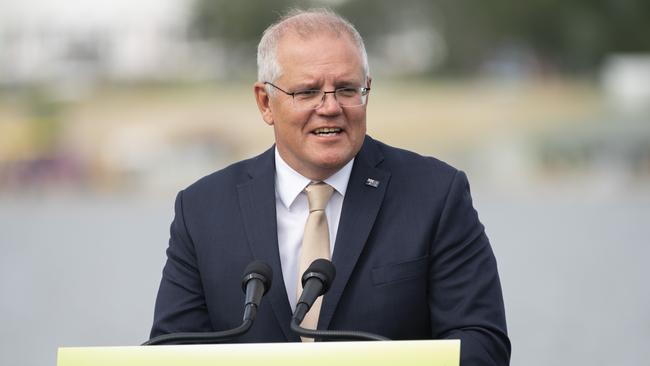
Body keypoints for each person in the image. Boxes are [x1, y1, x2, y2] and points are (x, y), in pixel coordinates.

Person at [150, 8, 510, 365]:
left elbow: (482, 345)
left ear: (367, 90)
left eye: (347, 89)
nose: (330, 107)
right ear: (265, 102)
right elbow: (171, 352)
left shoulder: (436, 194)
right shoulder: (201, 210)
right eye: (308, 92)